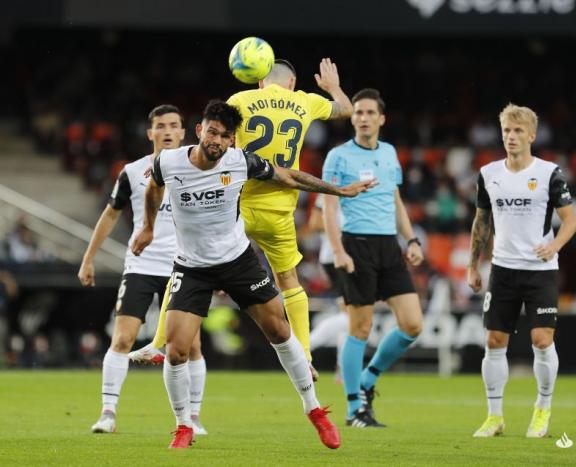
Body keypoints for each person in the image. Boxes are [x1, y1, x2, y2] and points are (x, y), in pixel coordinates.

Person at [130, 99, 374, 449]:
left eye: (225, 136)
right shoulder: (168, 162)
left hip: (237, 260)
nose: (216, 140)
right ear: (199, 131)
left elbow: (289, 176)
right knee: (177, 350)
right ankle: (184, 426)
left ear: (232, 141)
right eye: (212, 132)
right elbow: (154, 187)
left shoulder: (241, 161)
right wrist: (148, 228)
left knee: (279, 329)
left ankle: (315, 410)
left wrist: (339, 190)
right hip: (192, 266)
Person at [135, 59, 352, 379]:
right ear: (292, 82)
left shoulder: (241, 100)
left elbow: (216, 139)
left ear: (260, 82)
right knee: (289, 281)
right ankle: (303, 355)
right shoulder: (306, 101)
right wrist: (332, 87)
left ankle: (158, 342)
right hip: (280, 210)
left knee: (189, 263)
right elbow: (345, 109)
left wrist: (176, 163)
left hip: (238, 204)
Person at [77, 105, 209, 435]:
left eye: (173, 125)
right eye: (160, 126)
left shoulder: (200, 169)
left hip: (186, 265)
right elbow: (110, 214)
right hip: (142, 264)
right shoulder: (133, 172)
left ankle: (193, 417)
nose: (167, 131)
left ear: (183, 132)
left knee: (191, 347)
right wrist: (88, 258)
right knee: (122, 338)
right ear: (150, 133)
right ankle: (108, 413)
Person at [468, 103, 576, 439]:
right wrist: (473, 265)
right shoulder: (488, 174)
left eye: (518, 131)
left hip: (540, 271)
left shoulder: (550, 173)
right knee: (493, 340)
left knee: (542, 340)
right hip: (502, 269)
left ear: (531, 135)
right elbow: (481, 221)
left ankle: (542, 409)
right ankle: (494, 416)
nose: (511, 137)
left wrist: (554, 245)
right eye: (506, 131)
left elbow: (571, 220)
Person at [322, 88, 424, 428]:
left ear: (382, 119)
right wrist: (338, 251)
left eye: (369, 113)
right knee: (360, 328)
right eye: (358, 112)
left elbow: (395, 201)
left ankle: (367, 380)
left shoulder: (390, 153)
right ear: (352, 118)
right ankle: (355, 410)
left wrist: (411, 239)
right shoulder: (338, 157)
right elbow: (329, 208)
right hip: (357, 245)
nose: (363, 118)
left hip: (389, 247)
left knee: (412, 324)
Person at [307, 194, 349, 381]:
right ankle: (303, 348)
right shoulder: (330, 190)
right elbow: (314, 223)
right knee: (355, 316)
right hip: (337, 257)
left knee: (350, 316)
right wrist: (347, 229)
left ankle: (342, 368)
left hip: (347, 257)